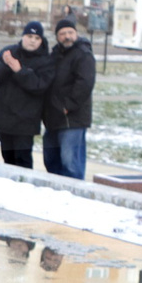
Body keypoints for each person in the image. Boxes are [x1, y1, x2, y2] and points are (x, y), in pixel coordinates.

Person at [0, 21, 57, 169]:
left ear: (41, 41)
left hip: (26, 120)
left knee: (22, 160)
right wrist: (6, 64)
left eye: (37, 38)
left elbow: (39, 86)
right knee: (8, 158)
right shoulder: (9, 52)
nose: (32, 40)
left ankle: (24, 186)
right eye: (29, 36)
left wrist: (19, 70)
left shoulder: (46, 61)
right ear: (23, 36)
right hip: (4, 116)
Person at [44, 16, 97, 179]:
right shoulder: (56, 54)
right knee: (51, 158)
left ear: (76, 34)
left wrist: (68, 106)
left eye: (70, 32)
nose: (67, 36)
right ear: (57, 37)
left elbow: (85, 83)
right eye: (62, 34)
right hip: (53, 116)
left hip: (72, 118)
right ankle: (58, 192)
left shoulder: (83, 54)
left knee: (70, 162)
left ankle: (74, 194)